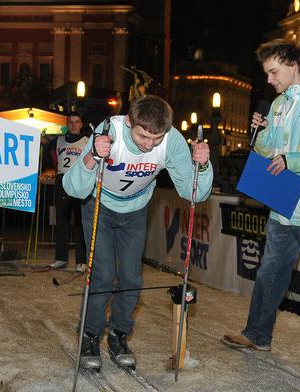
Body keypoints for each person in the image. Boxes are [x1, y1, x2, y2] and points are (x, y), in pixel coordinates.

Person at [221, 39, 300, 364]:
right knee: (269, 273)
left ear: (292, 64)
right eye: (266, 73)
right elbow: (269, 153)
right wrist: (261, 134)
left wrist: (293, 159)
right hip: (282, 204)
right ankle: (257, 335)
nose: (269, 80)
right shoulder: (278, 105)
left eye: (273, 72)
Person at [63, 94, 212, 370]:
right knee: (103, 274)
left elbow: (195, 193)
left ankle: (119, 334)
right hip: (100, 205)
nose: (149, 145)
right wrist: (92, 156)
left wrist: (201, 165)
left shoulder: (172, 141)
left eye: (156, 138)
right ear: (129, 121)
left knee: (131, 277)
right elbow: (73, 188)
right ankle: (90, 334)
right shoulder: (110, 131)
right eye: (143, 136)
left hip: (135, 210)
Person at [48, 112, 89, 272]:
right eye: (70, 122)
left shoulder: (87, 141)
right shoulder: (57, 141)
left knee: (80, 222)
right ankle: (61, 258)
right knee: (61, 222)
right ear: (67, 124)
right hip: (62, 181)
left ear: (81, 124)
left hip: (79, 181)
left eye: (76, 122)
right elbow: (48, 156)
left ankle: (81, 261)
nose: (73, 125)